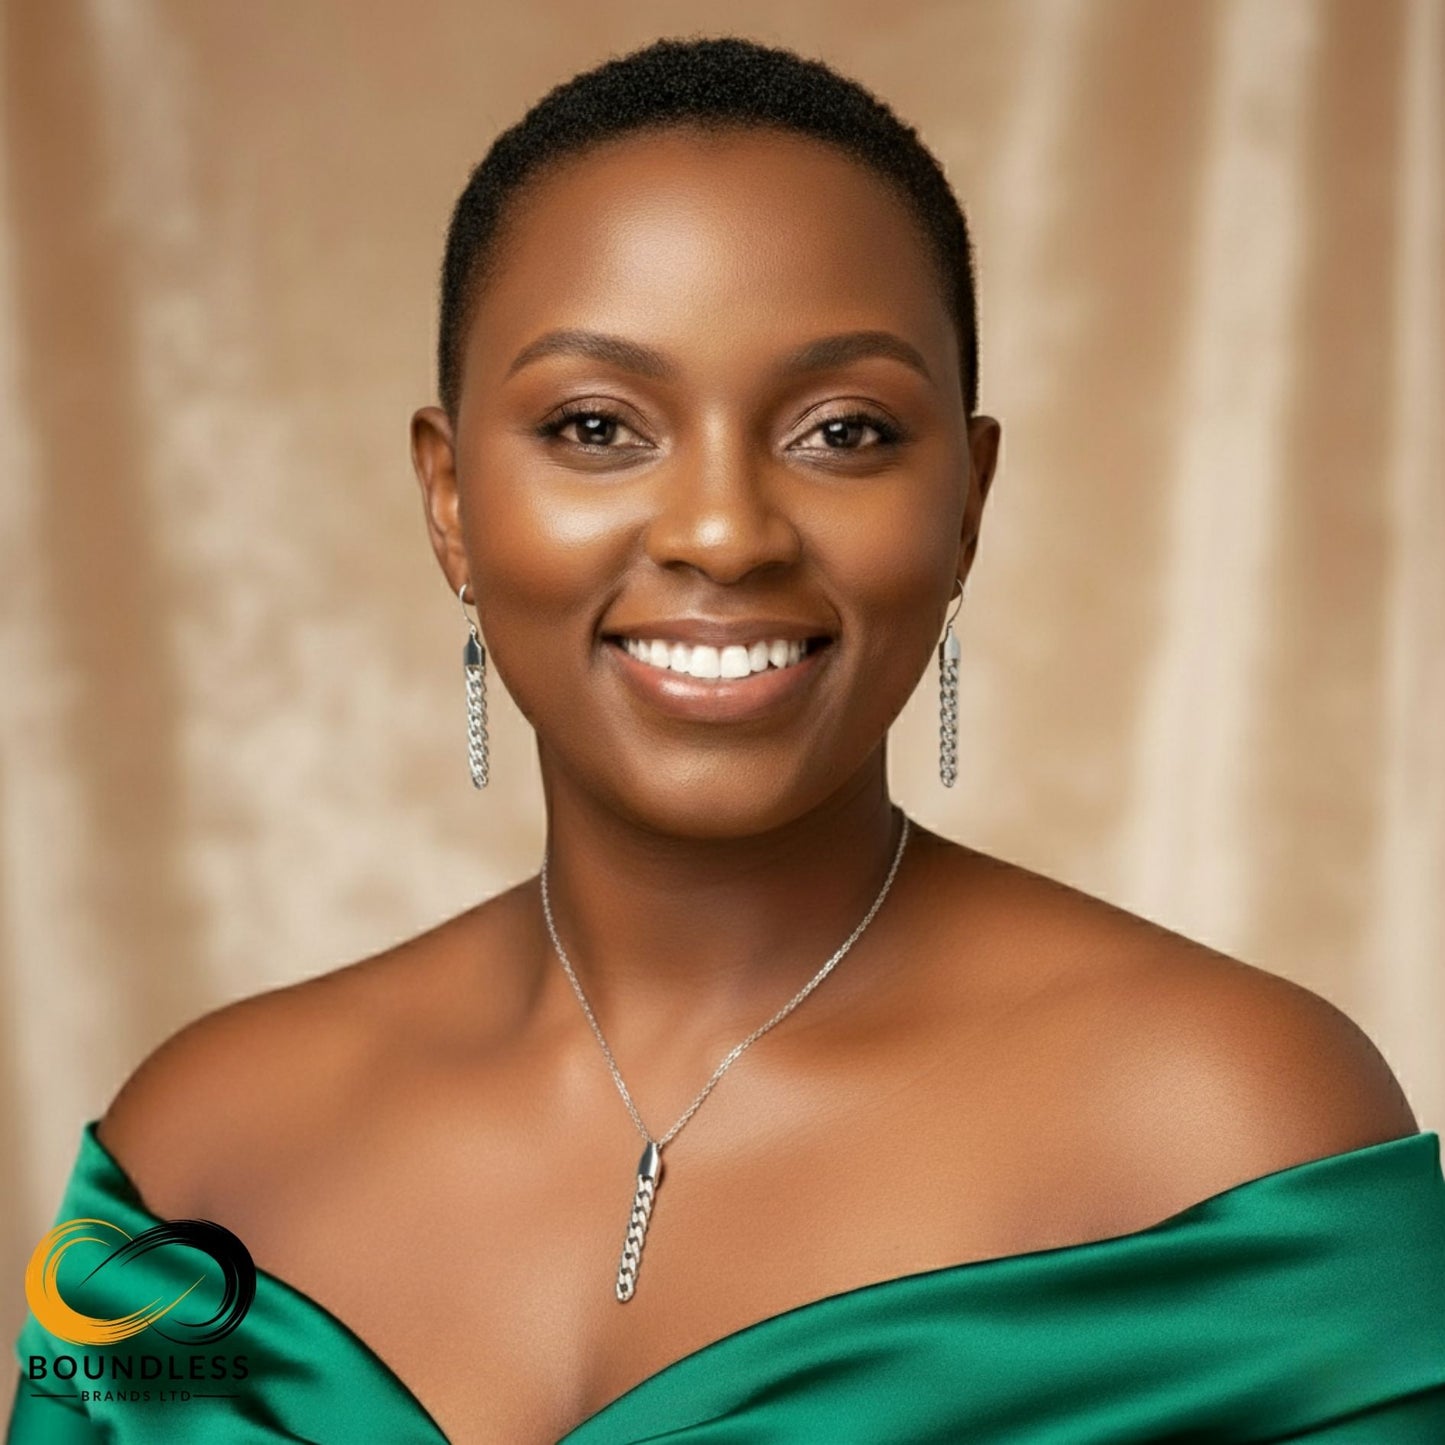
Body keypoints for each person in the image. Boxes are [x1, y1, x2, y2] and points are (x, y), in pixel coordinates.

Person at [9, 34, 1445, 1445]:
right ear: (449, 499)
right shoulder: (199, 1154)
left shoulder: (1233, 1132)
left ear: (966, 498)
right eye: (594, 423)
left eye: (841, 431)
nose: (720, 530)